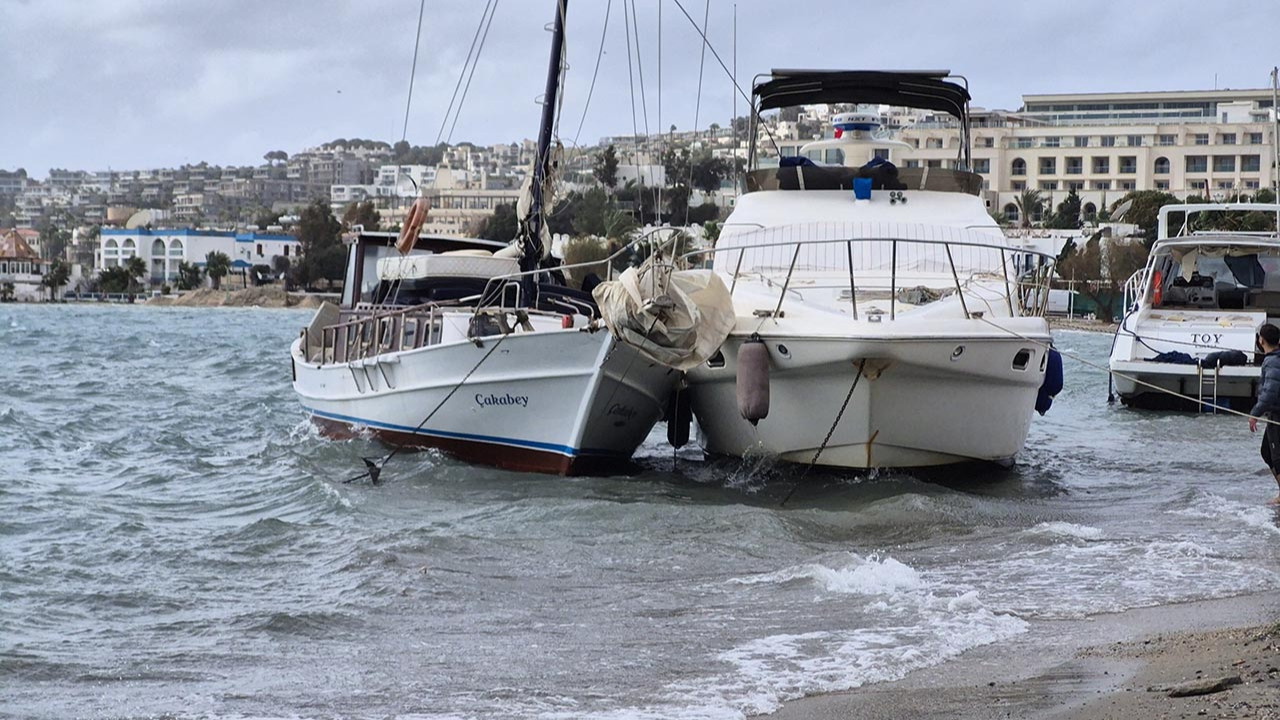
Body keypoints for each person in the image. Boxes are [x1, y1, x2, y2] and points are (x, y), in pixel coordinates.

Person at [1248, 322, 1280, 505]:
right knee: (1266, 452)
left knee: (1276, 457)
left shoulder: (1272, 361)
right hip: (1274, 414)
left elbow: (1269, 393)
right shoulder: (1275, 358)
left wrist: (1254, 414)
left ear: (1261, 341)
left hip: (1277, 414)